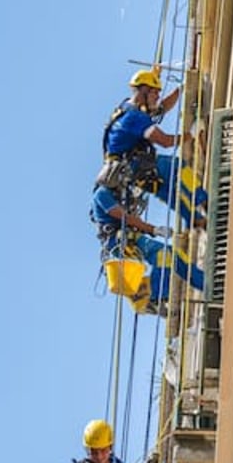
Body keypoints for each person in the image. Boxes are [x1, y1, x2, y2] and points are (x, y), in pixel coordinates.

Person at [90, 69, 206, 313]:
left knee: (170, 250)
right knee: (176, 168)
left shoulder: (134, 112)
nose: (157, 96)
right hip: (125, 239)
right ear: (143, 91)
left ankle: (204, 282)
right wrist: (189, 135)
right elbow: (124, 216)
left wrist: (183, 89)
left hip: (141, 182)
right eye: (153, 91)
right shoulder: (102, 195)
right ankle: (150, 297)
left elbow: (161, 107)